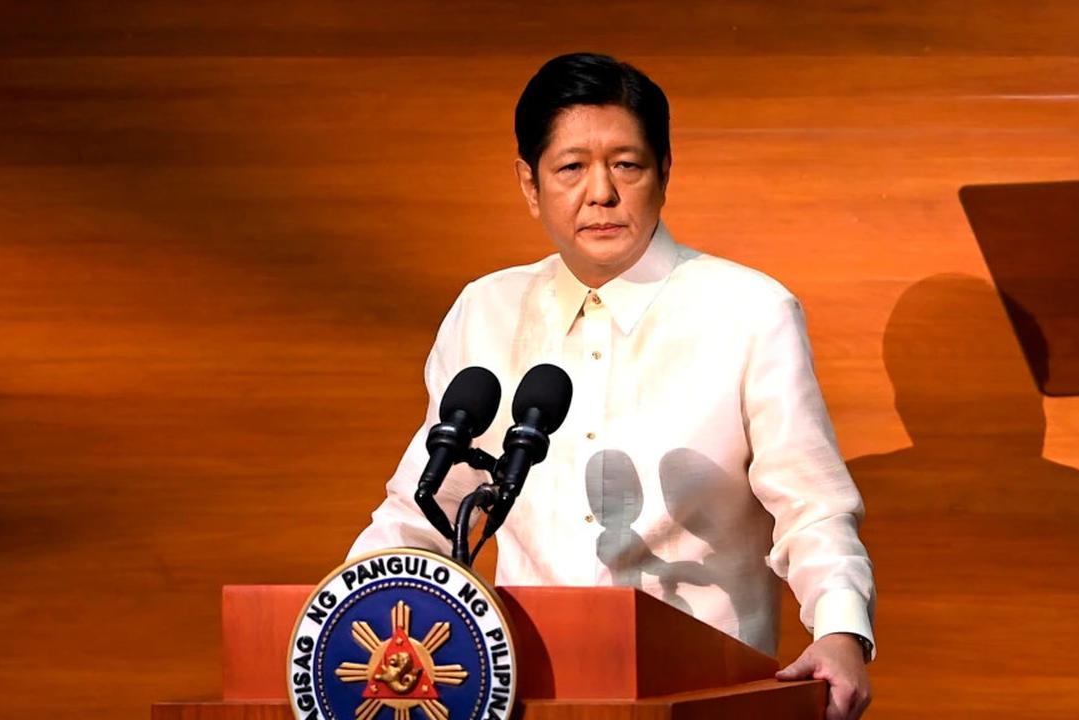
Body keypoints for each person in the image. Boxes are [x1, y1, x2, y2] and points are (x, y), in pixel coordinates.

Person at [349, 52, 875, 720]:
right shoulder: (486, 311)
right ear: (530, 184)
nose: (601, 192)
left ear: (664, 174)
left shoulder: (747, 312)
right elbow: (427, 510)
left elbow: (813, 507)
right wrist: (340, 617)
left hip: (700, 693)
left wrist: (840, 628)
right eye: (571, 168)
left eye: (626, 165)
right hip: (523, 695)